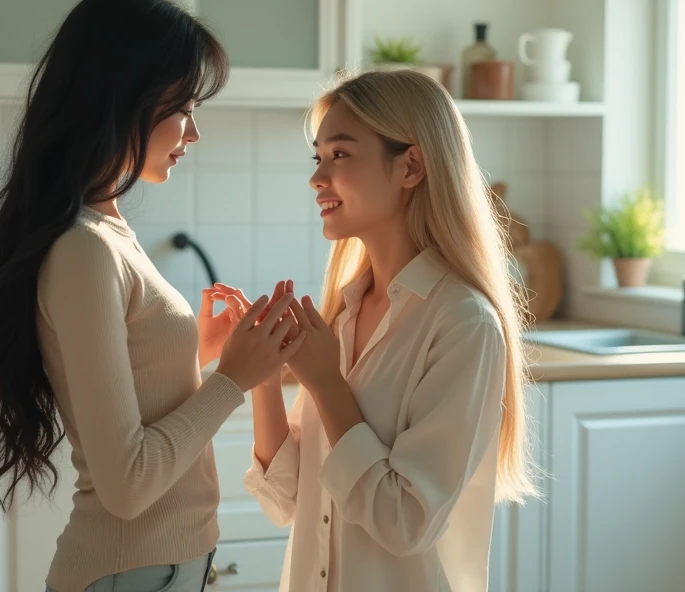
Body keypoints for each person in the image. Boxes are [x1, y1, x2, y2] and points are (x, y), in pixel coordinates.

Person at [0, 1, 303, 591]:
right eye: (184, 109)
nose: (194, 132)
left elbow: (130, 397)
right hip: (130, 572)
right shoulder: (84, 249)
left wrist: (199, 354)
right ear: (124, 99)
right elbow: (128, 483)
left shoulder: (108, 232)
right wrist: (231, 380)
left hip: (155, 570)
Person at [211, 69, 538, 591]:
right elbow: (288, 498)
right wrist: (265, 376)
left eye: (340, 155)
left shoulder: (463, 324)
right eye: (317, 157)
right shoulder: (342, 313)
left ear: (410, 166)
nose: (318, 178)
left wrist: (325, 383)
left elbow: (406, 520)